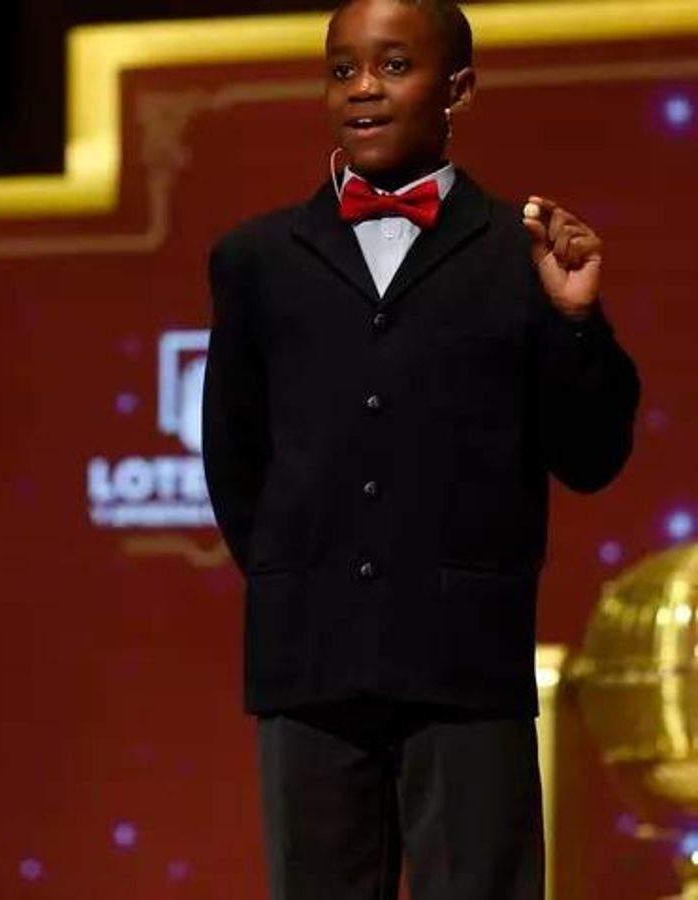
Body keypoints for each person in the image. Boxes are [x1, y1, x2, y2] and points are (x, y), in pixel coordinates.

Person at [201, 2, 639, 897]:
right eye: (341, 69)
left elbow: (591, 457)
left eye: (394, 66)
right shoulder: (255, 260)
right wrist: (300, 579)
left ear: (459, 89)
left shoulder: (521, 256)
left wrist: (575, 322)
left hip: (465, 666)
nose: (363, 88)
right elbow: (235, 461)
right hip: (310, 666)